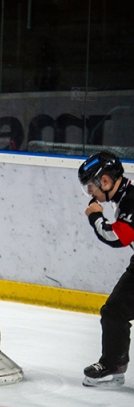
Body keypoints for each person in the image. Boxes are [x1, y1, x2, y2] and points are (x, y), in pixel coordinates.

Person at [79, 151, 134, 387]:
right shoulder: (125, 196)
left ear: (105, 180)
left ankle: (114, 365)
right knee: (114, 312)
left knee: (115, 311)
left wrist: (96, 218)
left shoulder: (131, 200)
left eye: (90, 186)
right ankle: (114, 365)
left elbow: (119, 237)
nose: (90, 193)